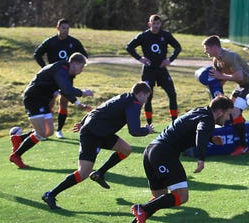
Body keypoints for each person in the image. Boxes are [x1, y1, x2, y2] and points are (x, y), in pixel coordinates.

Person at [123, 96, 234, 223]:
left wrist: (211, 139)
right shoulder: (208, 121)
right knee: (181, 196)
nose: (227, 118)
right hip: (164, 154)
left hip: (151, 151)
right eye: (227, 114)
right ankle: (141, 208)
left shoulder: (200, 111)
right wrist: (201, 158)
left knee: (159, 198)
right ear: (219, 112)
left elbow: (189, 128)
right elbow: (200, 131)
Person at [41, 82, 155, 210]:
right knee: (83, 172)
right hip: (91, 134)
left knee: (126, 149)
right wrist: (147, 131)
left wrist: (83, 121)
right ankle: (50, 194)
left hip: (101, 132)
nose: (146, 100)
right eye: (146, 97)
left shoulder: (124, 97)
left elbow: (98, 109)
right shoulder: (134, 105)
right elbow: (134, 131)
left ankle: (99, 173)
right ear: (140, 94)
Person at [9, 52, 94, 168]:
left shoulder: (67, 73)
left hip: (43, 100)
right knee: (42, 132)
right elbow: (67, 88)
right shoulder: (61, 69)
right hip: (33, 98)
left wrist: (79, 104)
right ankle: (16, 155)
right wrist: (83, 93)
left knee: (48, 132)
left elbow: (65, 91)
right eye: (81, 67)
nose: (81, 70)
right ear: (74, 63)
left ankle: (19, 138)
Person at [202, 35, 249, 156]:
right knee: (227, 107)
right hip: (241, 86)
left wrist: (221, 76)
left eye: (207, 48)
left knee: (234, 111)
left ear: (214, 47)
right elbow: (220, 80)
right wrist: (216, 92)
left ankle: (244, 147)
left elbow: (238, 76)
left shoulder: (230, 56)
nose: (205, 51)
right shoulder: (216, 60)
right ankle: (237, 125)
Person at [33, 18, 89, 139]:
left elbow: (84, 55)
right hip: (51, 80)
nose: (66, 31)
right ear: (57, 28)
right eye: (63, 28)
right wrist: (45, 68)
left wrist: (76, 66)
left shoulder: (73, 42)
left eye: (67, 28)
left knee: (64, 102)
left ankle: (59, 130)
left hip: (67, 78)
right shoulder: (50, 42)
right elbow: (37, 54)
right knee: (49, 103)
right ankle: (42, 129)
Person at [126, 14, 182, 125]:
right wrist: (140, 58)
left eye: (158, 23)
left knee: (172, 94)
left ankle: (175, 122)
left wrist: (169, 60)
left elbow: (178, 47)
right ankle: (149, 123)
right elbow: (129, 47)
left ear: (160, 24)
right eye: (154, 23)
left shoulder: (165, 35)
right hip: (148, 70)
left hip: (162, 69)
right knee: (147, 97)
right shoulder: (144, 36)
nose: (156, 26)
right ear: (149, 24)